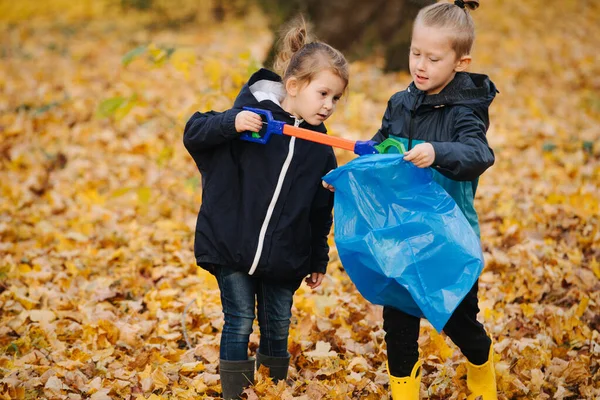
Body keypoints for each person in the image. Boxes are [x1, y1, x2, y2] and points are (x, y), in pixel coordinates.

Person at [182, 17, 348, 400]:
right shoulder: (251, 117)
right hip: (232, 245)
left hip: (285, 256)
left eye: (336, 98)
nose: (329, 105)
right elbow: (195, 133)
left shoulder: (320, 149)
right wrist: (231, 123)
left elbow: (321, 210)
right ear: (293, 86)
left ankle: (272, 391)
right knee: (238, 321)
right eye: (323, 94)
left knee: (277, 326)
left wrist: (317, 258)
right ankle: (234, 394)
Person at [367, 1, 498, 399]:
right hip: (404, 237)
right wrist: (357, 172)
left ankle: (481, 362)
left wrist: (437, 152)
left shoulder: (464, 112)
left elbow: (479, 154)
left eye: (433, 58)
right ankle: (404, 392)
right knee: (398, 326)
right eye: (415, 53)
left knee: (461, 324)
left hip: (449, 241)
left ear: (461, 62)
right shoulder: (399, 103)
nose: (420, 65)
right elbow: (380, 146)